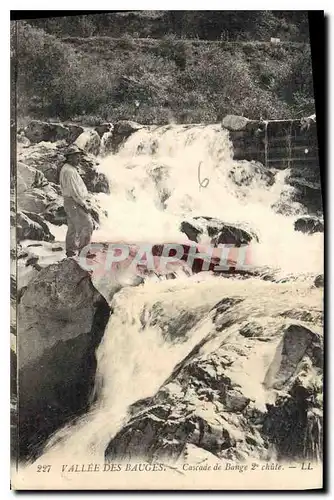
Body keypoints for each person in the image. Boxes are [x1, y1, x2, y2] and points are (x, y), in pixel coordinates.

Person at [59, 145, 94, 258]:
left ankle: (70, 251)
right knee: (87, 225)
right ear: (69, 158)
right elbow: (74, 191)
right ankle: (83, 252)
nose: (79, 159)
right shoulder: (69, 171)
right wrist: (83, 204)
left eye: (79, 156)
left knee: (73, 227)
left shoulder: (68, 168)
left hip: (70, 202)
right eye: (76, 157)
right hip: (74, 201)